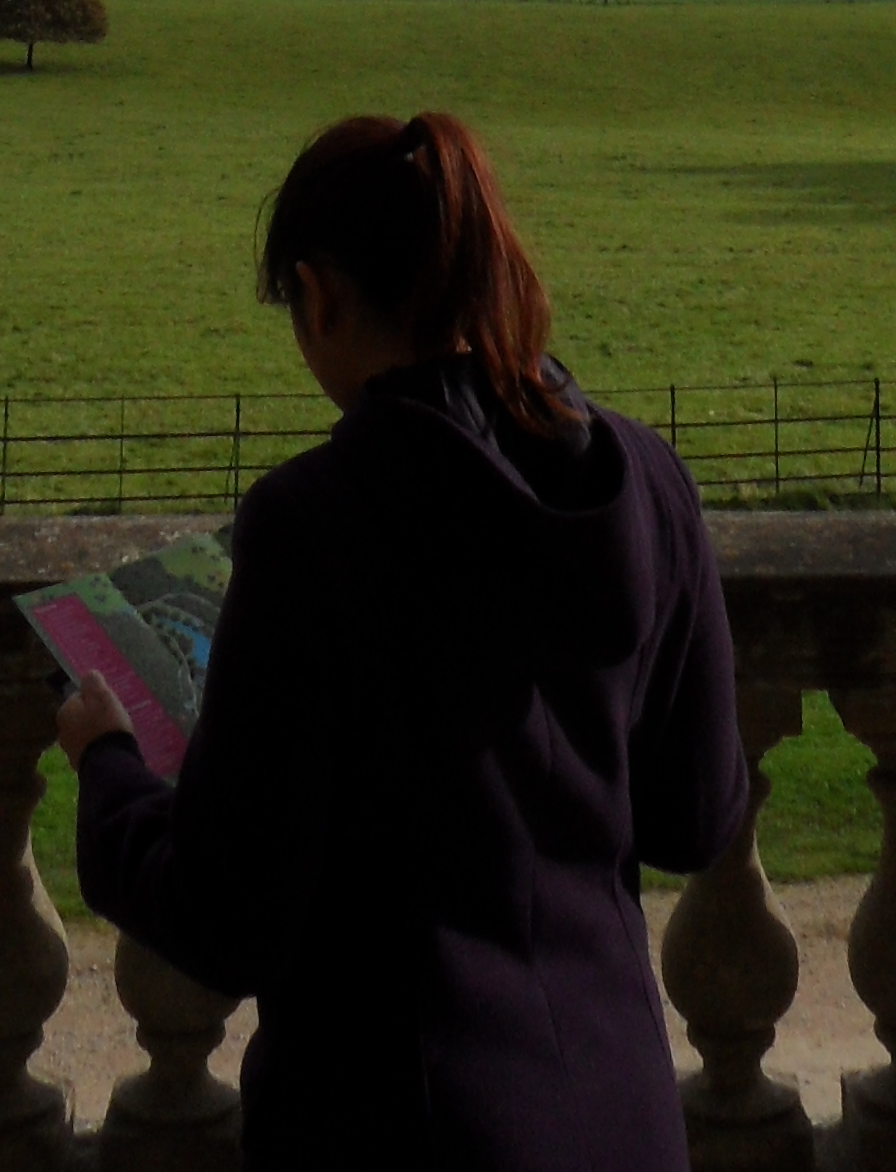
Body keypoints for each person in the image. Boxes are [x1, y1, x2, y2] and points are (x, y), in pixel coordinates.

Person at [56, 108, 748, 1169]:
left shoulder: (311, 521)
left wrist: (108, 768)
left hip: (391, 1122)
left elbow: (226, 917)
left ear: (320, 295)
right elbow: (697, 817)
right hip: (621, 1109)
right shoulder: (648, 480)